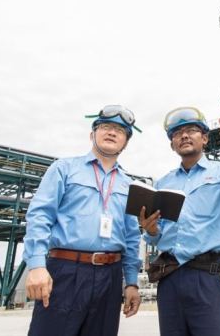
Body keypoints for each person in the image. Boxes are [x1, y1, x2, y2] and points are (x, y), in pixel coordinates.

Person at [140, 104, 220, 336]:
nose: (184, 136)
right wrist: (152, 231)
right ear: (172, 144)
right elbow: (158, 235)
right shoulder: (163, 183)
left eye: (191, 130)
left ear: (205, 138)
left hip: (208, 276)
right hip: (170, 278)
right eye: (177, 133)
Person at [23, 105, 143, 336]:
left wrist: (131, 282)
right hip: (66, 271)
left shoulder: (129, 186)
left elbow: (131, 236)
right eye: (105, 127)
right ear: (92, 134)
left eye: (120, 130)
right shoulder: (64, 169)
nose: (112, 132)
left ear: (126, 142)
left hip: (110, 275)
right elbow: (40, 216)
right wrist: (37, 265)